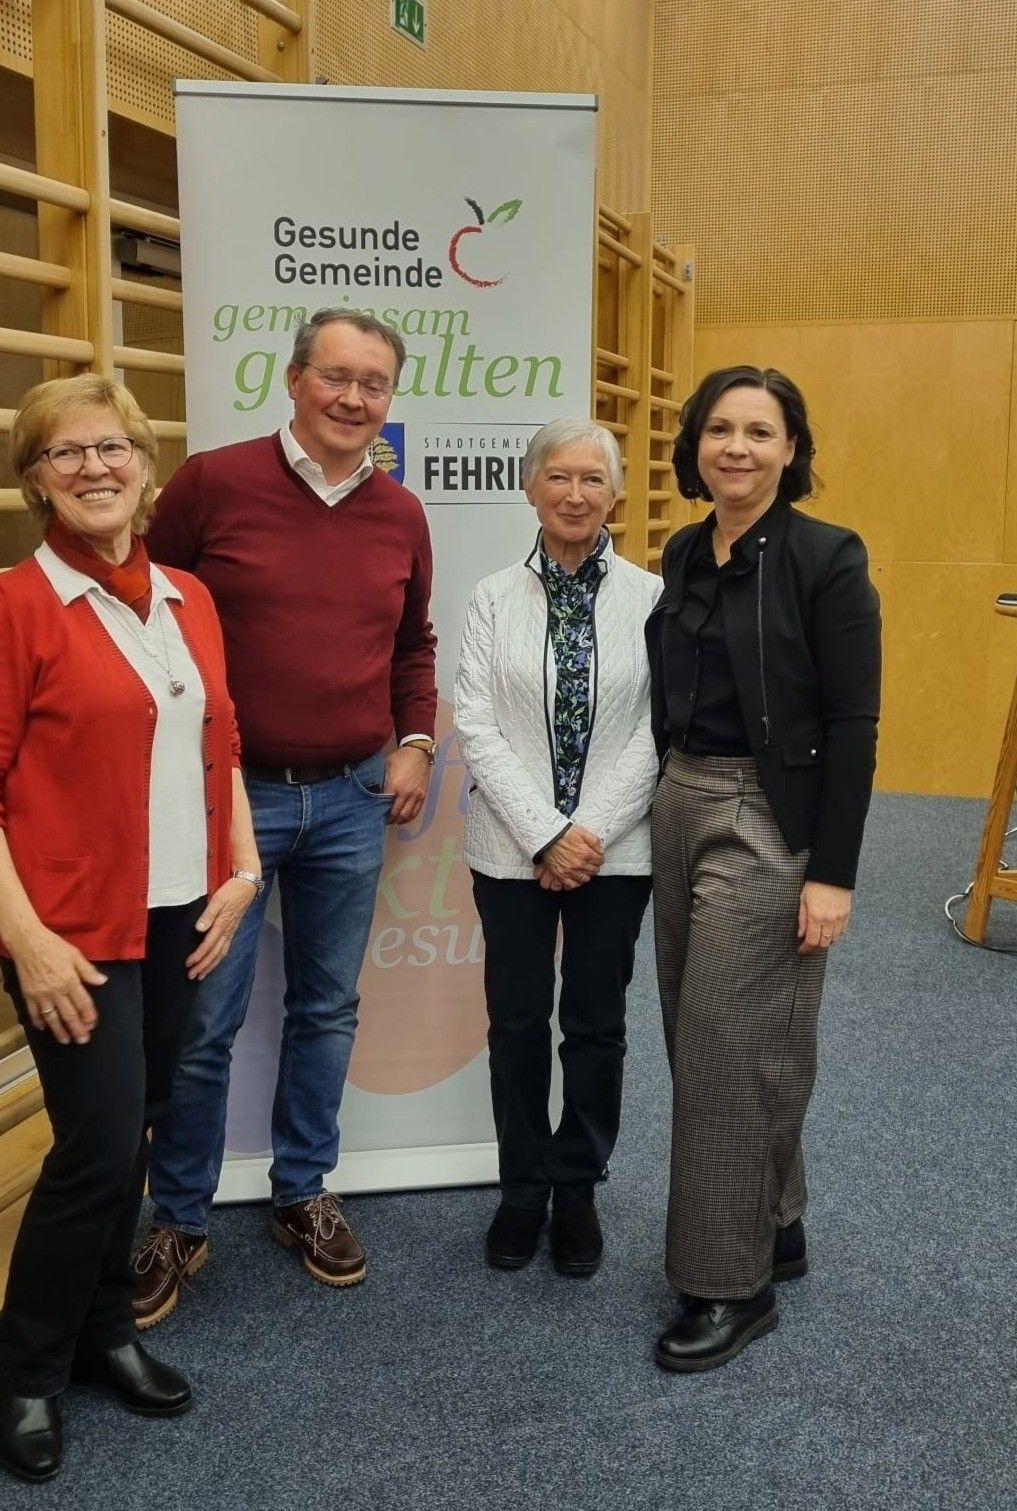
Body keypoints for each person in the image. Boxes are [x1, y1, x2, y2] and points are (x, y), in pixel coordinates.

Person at [0, 375, 260, 1480]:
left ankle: (103, 1330)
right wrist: (25, 939)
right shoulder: (10, 607)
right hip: (67, 929)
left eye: (110, 447)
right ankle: (25, 1370)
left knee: (141, 1125)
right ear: (34, 483)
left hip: (180, 912)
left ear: (145, 466)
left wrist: (243, 866)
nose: (92, 468)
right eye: (63, 455)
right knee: (96, 1146)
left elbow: (221, 743)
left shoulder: (187, 598)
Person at [133, 308, 437, 1317]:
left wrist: (414, 739)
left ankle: (300, 1189)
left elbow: (411, 644)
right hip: (231, 804)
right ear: (294, 377)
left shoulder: (400, 513)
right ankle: (177, 1215)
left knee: (326, 1008)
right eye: (336, 376)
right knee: (203, 1021)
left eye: (374, 383)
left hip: (353, 797)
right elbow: (148, 616)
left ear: (390, 398)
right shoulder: (211, 484)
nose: (354, 398)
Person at [644, 366, 881, 1371]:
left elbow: (852, 723)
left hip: (767, 815)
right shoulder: (682, 549)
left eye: (758, 431)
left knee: (721, 1055)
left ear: (790, 450)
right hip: (679, 798)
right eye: (717, 429)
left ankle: (724, 1284)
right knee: (701, 1028)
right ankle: (773, 1219)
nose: (734, 447)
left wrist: (830, 873)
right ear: (694, 443)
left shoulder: (825, 557)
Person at [454, 418, 663, 1275]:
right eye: (558, 477)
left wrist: (587, 833)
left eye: (592, 479)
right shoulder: (490, 597)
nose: (574, 494)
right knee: (513, 1023)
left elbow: (660, 726)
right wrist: (543, 832)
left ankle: (576, 1185)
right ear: (530, 487)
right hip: (508, 849)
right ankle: (522, 1188)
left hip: (614, 851)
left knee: (594, 1022)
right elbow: (472, 720)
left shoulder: (651, 597)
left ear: (614, 494)